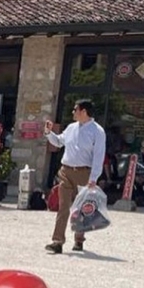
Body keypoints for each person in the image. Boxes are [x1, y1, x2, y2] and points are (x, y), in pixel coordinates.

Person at [43, 98, 106, 253]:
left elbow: (99, 156)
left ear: (84, 111)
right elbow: (58, 142)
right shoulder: (71, 127)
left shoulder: (97, 131)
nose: (73, 112)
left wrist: (93, 178)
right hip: (66, 171)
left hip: (84, 172)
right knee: (63, 206)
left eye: (75, 109)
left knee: (82, 208)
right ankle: (57, 241)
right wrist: (48, 133)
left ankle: (79, 240)